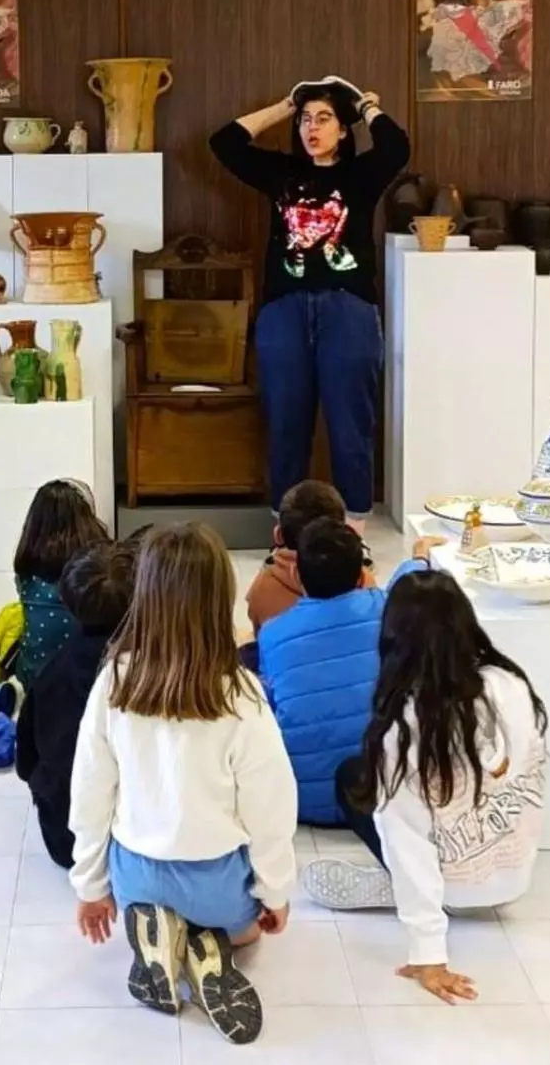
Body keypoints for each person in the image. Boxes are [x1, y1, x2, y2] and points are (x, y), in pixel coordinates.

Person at [69, 523, 297, 1046]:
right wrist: (274, 892)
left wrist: (91, 887)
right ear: (222, 598)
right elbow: (271, 808)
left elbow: (90, 790)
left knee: (148, 889)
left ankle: (162, 937)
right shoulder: (241, 695)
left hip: (137, 876)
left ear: (143, 595)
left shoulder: (115, 680)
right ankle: (208, 944)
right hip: (215, 878)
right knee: (249, 933)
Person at [300, 571, 548, 1005]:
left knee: (352, 778)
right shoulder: (511, 684)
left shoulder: (407, 725)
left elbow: (406, 838)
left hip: (455, 882)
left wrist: (429, 952)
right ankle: (420, 889)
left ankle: (401, 889)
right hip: (514, 872)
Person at [210, 75, 411, 533]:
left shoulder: (361, 175)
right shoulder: (282, 173)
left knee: (350, 427)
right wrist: (286, 102)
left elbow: (396, 146)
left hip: (349, 310)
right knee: (286, 426)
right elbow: (225, 142)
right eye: (305, 120)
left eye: (324, 119)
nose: (311, 127)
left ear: (343, 130)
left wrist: (363, 105)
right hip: (284, 310)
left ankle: (355, 534)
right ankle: (286, 537)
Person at [16, 540, 137, 869]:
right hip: (139, 847)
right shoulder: (153, 678)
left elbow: (25, 762)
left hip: (65, 840)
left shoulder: (51, 674)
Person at [256, 518, 382, 825]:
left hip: (303, 801)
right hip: (382, 793)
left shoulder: (273, 634)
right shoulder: (386, 607)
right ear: (361, 575)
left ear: (297, 574)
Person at [0, 479, 109, 690]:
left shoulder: (26, 572)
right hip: (90, 684)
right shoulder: (100, 569)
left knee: (12, 617)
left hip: (34, 682)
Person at [246, 479, 377, 636]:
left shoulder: (261, 591)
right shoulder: (367, 585)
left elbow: (259, 638)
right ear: (345, 531)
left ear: (278, 535)